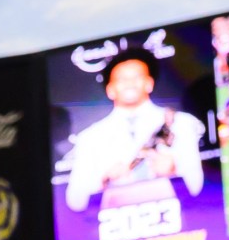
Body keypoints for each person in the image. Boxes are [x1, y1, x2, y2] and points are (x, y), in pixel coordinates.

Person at [64, 49, 207, 212]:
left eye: (136, 76)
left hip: (173, 222)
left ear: (149, 83)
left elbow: (196, 185)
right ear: (110, 90)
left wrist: (174, 170)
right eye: (122, 79)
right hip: (116, 227)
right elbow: (75, 201)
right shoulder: (90, 138)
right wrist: (102, 179)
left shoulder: (180, 123)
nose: (130, 83)